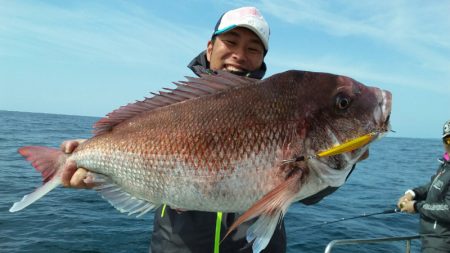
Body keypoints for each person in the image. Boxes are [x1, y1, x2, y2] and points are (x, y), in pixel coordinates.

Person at [60, 6, 364, 253]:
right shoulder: (172, 109)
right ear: (210, 46)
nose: (239, 55)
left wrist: (341, 162)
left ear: (262, 60)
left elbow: (308, 194)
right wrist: (92, 161)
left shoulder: (284, 112)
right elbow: (131, 146)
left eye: (253, 48)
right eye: (230, 42)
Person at [397, 120, 450, 253]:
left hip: (442, 243)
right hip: (432, 241)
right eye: (449, 140)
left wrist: (416, 206)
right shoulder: (445, 166)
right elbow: (431, 187)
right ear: (444, 142)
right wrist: (411, 193)